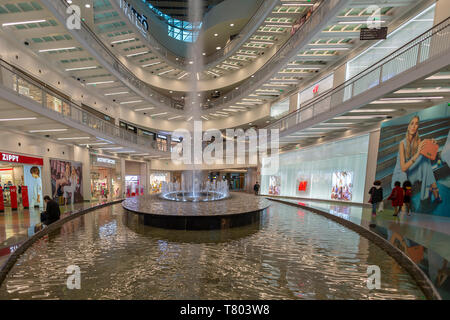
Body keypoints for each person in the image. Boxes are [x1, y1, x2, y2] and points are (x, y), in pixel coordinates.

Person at [391, 116, 441, 203]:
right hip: (400, 174)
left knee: (425, 160)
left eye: (416, 124)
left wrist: (432, 143)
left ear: (418, 126)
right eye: (412, 123)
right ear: (408, 126)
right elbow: (403, 168)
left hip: (410, 172)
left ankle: (434, 187)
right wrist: (417, 154)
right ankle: (433, 189)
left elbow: (426, 147)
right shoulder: (402, 144)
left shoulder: (418, 140)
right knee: (420, 159)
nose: (414, 126)